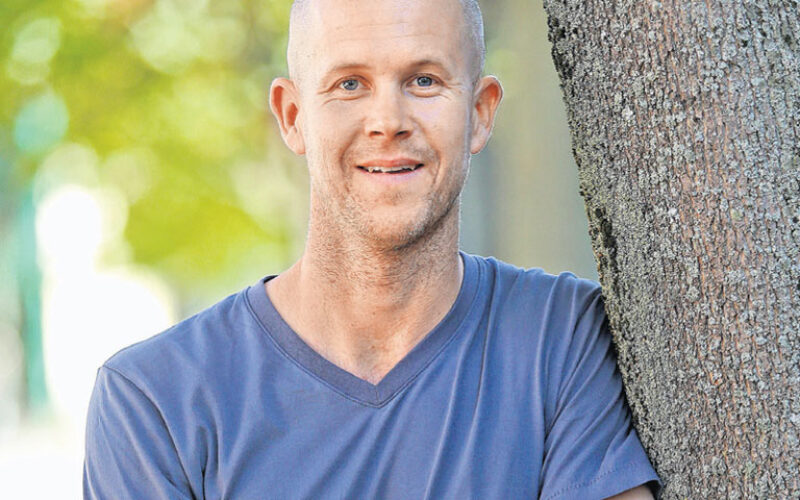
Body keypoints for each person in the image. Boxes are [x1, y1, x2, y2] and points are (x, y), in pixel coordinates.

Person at [83, 0, 661, 498]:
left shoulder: (562, 338)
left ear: (480, 113)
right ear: (292, 116)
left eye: (424, 81)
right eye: (350, 84)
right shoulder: (155, 402)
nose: (388, 122)